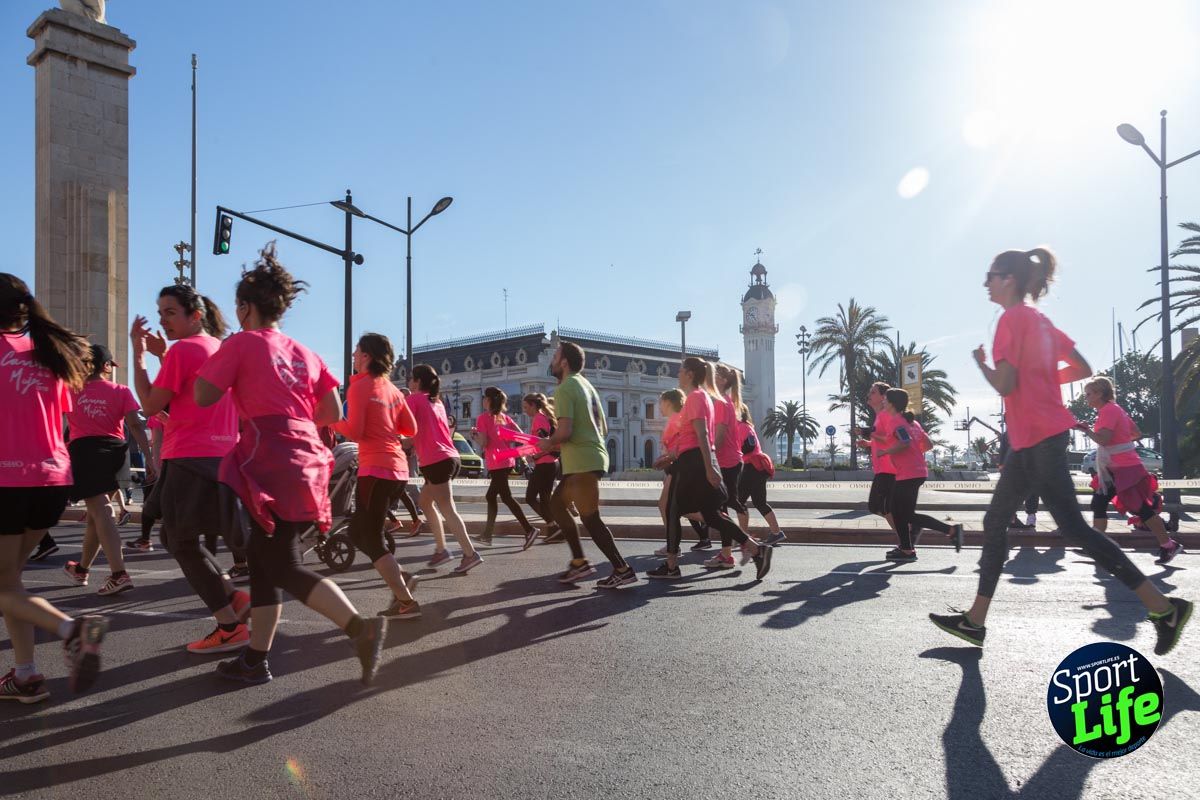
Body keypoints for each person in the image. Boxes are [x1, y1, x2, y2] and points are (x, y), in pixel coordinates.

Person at [930, 247, 1191, 656]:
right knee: (1001, 521)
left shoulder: (1010, 320)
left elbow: (1004, 384)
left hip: (1037, 440)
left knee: (1072, 529)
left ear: (1009, 279)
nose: (986, 282)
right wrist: (1043, 377)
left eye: (991, 275)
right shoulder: (1041, 321)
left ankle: (1164, 608)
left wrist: (982, 364)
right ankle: (975, 621)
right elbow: (1083, 367)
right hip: (1035, 441)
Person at [194, 244, 387, 685]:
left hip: (268, 462)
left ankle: (361, 629)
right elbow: (331, 410)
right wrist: (291, 418)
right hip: (308, 461)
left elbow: (204, 395)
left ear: (245, 307)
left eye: (238, 306)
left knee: (282, 565)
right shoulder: (305, 352)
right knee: (266, 563)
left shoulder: (242, 343)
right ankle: (255, 659)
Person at [0, 273, 108, 703]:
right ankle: (25, 675)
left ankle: (73, 630)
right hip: (51, 480)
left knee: (4, 586)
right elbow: (58, 418)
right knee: (10, 582)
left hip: (7, 480)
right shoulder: (51, 355)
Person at [130, 283, 251, 654]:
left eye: (170, 313)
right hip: (222, 457)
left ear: (194, 315)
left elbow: (150, 405)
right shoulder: (219, 347)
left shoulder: (183, 350)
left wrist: (138, 356)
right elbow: (188, 392)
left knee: (180, 542)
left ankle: (228, 626)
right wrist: (164, 354)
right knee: (177, 538)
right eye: (160, 313)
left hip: (189, 456)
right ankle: (232, 597)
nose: (163, 320)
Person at [650, 356, 772, 579]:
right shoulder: (702, 397)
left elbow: (702, 435)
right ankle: (756, 549)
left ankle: (671, 566)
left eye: (681, 371)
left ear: (689, 374)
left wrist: (709, 467)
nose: (678, 374)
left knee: (672, 509)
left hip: (693, 463)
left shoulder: (696, 397)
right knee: (712, 515)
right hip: (693, 459)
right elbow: (691, 437)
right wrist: (669, 457)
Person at [332, 333, 422, 619]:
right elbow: (411, 429)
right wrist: (385, 423)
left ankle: (406, 601)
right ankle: (401, 579)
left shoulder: (360, 386)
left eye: (356, 351)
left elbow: (355, 431)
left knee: (369, 537)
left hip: (376, 470)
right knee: (358, 533)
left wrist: (330, 418)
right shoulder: (392, 390)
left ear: (366, 356)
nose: (353, 356)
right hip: (397, 470)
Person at [536, 341, 637, 587]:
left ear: (564, 362)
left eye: (555, 356)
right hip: (591, 457)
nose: (552, 361)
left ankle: (618, 568)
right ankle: (581, 562)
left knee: (590, 518)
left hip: (582, 462)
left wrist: (548, 442)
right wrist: (563, 443)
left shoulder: (565, 388)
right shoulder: (587, 386)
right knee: (558, 505)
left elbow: (565, 431)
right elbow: (602, 427)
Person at [60, 344, 153, 595]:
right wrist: (149, 458)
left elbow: (57, 422)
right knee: (96, 516)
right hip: (117, 452)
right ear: (105, 366)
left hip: (86, 451)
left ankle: (119, 574)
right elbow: (135, 425)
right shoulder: (121, 390)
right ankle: (81, 569)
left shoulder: (71, 390)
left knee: (101, 511)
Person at [1078, 376, 1182, 563]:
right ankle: (1096, 546)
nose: (1086, 398)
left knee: (1141, 509)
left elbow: (1103, 440)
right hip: (1114, 468)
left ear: (1100, 394)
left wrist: (1086, 430)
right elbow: (1136, 433)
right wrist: (1120, 444)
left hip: (1124, 469)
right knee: (1099, 503)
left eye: (1088, 394)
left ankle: (1169, 545)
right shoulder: (1114, 409)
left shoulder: (1109, 411)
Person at [407, 364, 483, 573]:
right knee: (425, 502)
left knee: (448, 509)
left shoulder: (414, 399)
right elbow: (424, 431)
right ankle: (441, 550)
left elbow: (404, 426)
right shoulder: (437, 402)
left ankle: (469, 554)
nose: (409, 382)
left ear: (418, 382)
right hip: (449, 457)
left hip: (436, 461)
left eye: (411, 378)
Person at [875, 388, 964, 561]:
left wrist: (885, 452)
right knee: (902, 513)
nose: (883, 401)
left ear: (892, 403)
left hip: (908, 473)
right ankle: (907, 549)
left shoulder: (896, 421)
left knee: (901, 513)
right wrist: (914, 454)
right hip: (917, 471)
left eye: (885, 399)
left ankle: (949, 531)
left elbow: (905, 442)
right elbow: (928, 444)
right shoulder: (913, 423)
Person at [475, 387, 538, 549]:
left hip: (496, 463)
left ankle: (529, 530)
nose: (483, 400)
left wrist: (475, 436)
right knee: (493, 496)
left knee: (506, 497)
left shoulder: (483, 418)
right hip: (507, 461)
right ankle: (487, 535)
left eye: (484, 398)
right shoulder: (505, 418)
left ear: (489, 400)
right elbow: (520, 435)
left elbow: (484, 443)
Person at [734, 407, 786, 546]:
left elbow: (749, 446)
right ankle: (776, 533)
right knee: (759, 502)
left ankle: (743, 537)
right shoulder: (745, 426)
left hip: (752, 466)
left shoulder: (741, 427)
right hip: (757, 467)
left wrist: (735, 452)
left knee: (740, 502)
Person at [522, 393, 562, 541]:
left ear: (533, 405)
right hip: (552, 463)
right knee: (545, 500)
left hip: (545, 464)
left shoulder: (539, 419)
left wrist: (534, 457)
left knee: (530, 497)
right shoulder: (545, 417)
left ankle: (554, 525)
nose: (525, 410)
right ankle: (555, 532)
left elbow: (546, 443)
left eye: (526, 407)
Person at [126, 411, 164, 552]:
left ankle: (145, 540)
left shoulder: (158, 414)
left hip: (164, 464)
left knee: (149, 504)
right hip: (182, 462)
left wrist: (154, 465)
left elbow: (157, 442)